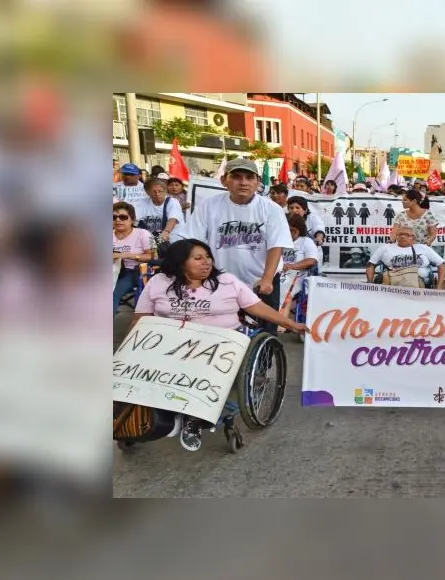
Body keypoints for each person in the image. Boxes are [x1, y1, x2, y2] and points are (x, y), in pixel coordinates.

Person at [131, 239, 307, 451]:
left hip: (219, 343)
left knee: (197, 365)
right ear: (179, 263)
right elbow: (140, 319)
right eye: (198, 258)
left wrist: (291, 324)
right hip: (171, 343)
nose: (206, 262)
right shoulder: (159, 282)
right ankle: (156, 415)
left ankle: (193, 418)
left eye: (208, 257)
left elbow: (258, 308)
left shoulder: (226, 281)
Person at [183, 158, 294, 334]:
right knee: (221, 331)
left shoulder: (271, 209)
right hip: (221, 280)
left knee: (265, 332)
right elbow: (193, 242)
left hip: (261, 281)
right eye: (236, 177)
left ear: (258, 182)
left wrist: (266, 279)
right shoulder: (209, 206)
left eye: (249, 177)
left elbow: (276, 246)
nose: (243, 182)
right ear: (223, 180)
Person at [365, 227, 445, 289]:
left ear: (413, 238)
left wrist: (440, 286)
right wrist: (370, 283)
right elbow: (370, 264)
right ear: (396, 236)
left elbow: (442, 264)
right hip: (392, 281)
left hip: (419, 281)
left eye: (407, 235)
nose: (403, 237)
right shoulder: (386, 247)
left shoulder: (422, 248)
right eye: (400, 234)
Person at [113, 202, 154, 313]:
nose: (118, 220)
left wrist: (124, 255)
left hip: (134, 272)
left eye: (123, 217)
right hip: (112, 271)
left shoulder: (143, 233)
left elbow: (153, 257)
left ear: (132, 220)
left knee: (111, 293)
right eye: (114, 217)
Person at [133, 177, 184, 257]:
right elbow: (134, 221)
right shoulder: (142, 203)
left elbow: (173, 219)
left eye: (160, 191)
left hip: (172, 240)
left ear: (165, 191)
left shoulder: (172, 202)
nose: (157, 194)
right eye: (154, 191)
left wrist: (166, 231)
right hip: (153, 241)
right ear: (147, 192)